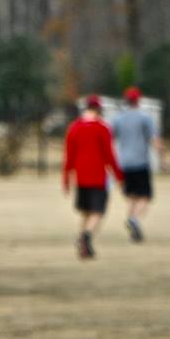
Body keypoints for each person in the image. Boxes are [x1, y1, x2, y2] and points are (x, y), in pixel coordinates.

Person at [62, 95, 124, 260]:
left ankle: (83, 243)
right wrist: (118, 175)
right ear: (99, 110)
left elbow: (69, 156)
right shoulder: (102, 128)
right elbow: (109, 155)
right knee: (97, 211)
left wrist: (66, 179)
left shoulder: (74, 127)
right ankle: (86, 237)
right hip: (97, 176)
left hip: (80, 177)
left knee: (86, 212)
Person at [112, 86, 162, 243]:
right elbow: (154, 140)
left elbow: (111, 138)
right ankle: (134, 220)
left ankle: (134, 233)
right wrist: (162, 157)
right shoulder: (145, 118)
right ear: (138, 100)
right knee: (145, 197)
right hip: (140, 162)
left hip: (124, 163)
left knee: (132, 197)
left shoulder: (118, 118)